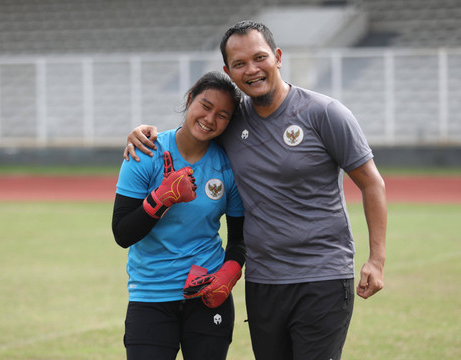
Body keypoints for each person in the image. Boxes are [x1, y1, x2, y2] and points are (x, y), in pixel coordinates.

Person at [123, 21, 387, 360]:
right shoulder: (230, 122)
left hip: (322, 275)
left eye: (259, 57)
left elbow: (371, 183)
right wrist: (142, 134)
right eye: (239, 63)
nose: (252, 69)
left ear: (277, 57)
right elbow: (192, 128)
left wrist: (376, 260)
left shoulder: (325, 113)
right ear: (228, 71)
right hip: (264, 281)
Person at [111, 71, 246, 360]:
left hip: (207, 297)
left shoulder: (228, 166)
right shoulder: (146, 152)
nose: (210, 119)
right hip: (150, 296)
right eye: (206, 106)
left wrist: (229, 273)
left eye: (222, 115)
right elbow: (122, 233)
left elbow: (239, 239)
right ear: (189, 100)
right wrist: (161, 198)